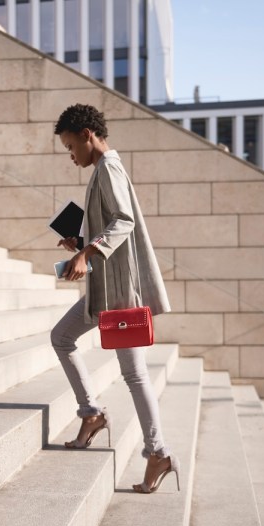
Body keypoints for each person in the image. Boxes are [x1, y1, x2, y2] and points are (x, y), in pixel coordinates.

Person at [51, 103, 179, 494]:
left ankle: (156, 451)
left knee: (134, 374)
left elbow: (124, 220)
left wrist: (86, 254)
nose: (72, 156)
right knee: (63, 338)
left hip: (118, 295)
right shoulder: (104, 170)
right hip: (106, 292)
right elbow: (111, 223)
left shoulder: (108, 168)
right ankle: (92, 415)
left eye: (72, 146)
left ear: (88, 135)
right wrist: (80, 242)